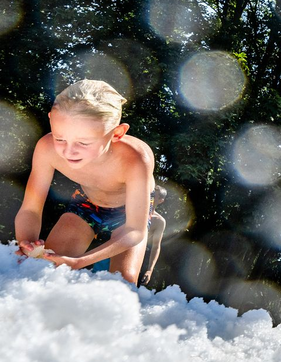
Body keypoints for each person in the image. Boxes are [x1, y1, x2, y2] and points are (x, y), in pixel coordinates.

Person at [14, 80, 155, 285]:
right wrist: (26, 242)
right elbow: (30, 209)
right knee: (43, 271)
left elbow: (135, 231)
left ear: (117, 133)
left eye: (83, 143)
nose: (68, 151)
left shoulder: (135, 159)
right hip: (87, 204)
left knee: (122, 285)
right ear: (51, 120)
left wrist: (81, 261)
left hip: (128, 216)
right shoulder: (46, 149)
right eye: (59, 138)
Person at [139, 184, 168, 286]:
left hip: (136, 256)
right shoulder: (133, 208)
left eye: (153, 195)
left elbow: (156, 246)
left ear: (160, 200)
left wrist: (150, 270)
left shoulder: (159, 221)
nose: (149, 196)